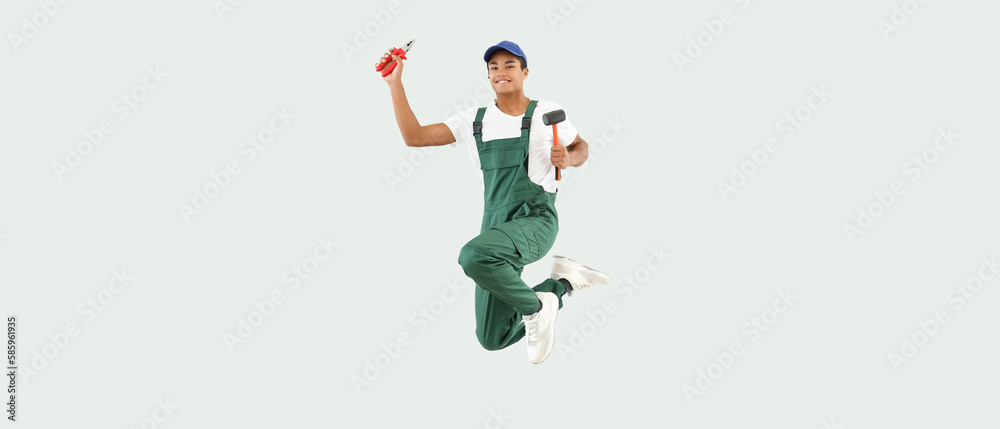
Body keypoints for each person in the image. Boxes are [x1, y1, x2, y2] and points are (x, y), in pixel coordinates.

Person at [381, 40, 611, 364]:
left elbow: (582, 146)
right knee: (493, 337)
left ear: (525, 71)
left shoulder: (546, 112)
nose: (501, 72)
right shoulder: (474, 120)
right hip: (496, 226)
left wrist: (570, 158)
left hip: (536, 218)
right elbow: (414, 136)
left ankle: (535, 308)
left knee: (472, 256)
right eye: (493, 67)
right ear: (488, 76)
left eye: (509, 65)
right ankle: (559, 286)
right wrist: (395, 83)